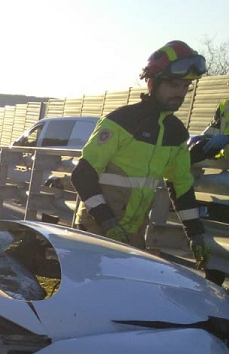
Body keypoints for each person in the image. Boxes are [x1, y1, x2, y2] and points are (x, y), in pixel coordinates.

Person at [70, 40, 210, 266]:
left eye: (186, 87)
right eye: (174, 85)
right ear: (153, 83)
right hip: (95, 230)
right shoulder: (121, 121)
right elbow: (82, 174)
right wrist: (108, 224)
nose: (181, 93)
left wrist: (197, 235)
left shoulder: (176, 133)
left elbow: (181, 186)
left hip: (134, 236)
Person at [189, 97, 229, 166]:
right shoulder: (225, 105)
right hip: (224, 159)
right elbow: (213, 128)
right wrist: (203, 137)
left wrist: (227, 139)